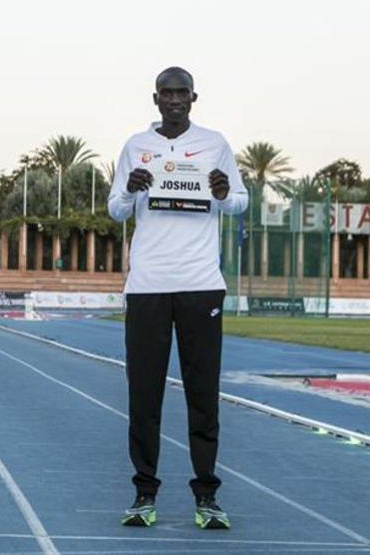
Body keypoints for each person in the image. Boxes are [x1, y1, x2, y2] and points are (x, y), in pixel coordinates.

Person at [107, 66, 248, 530]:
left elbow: (239, 201)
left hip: (201, 283)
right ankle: (143, 494)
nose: (173, 100)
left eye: (181, 93)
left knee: (202, 394)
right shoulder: (135, 146)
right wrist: (130, 189)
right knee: (143, 395)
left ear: (193, 97)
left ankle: (206, 496)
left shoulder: (216, 144)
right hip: (147, 284)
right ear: (155, 99)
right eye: (165, 93)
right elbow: (115, 209)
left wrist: (226, 194)